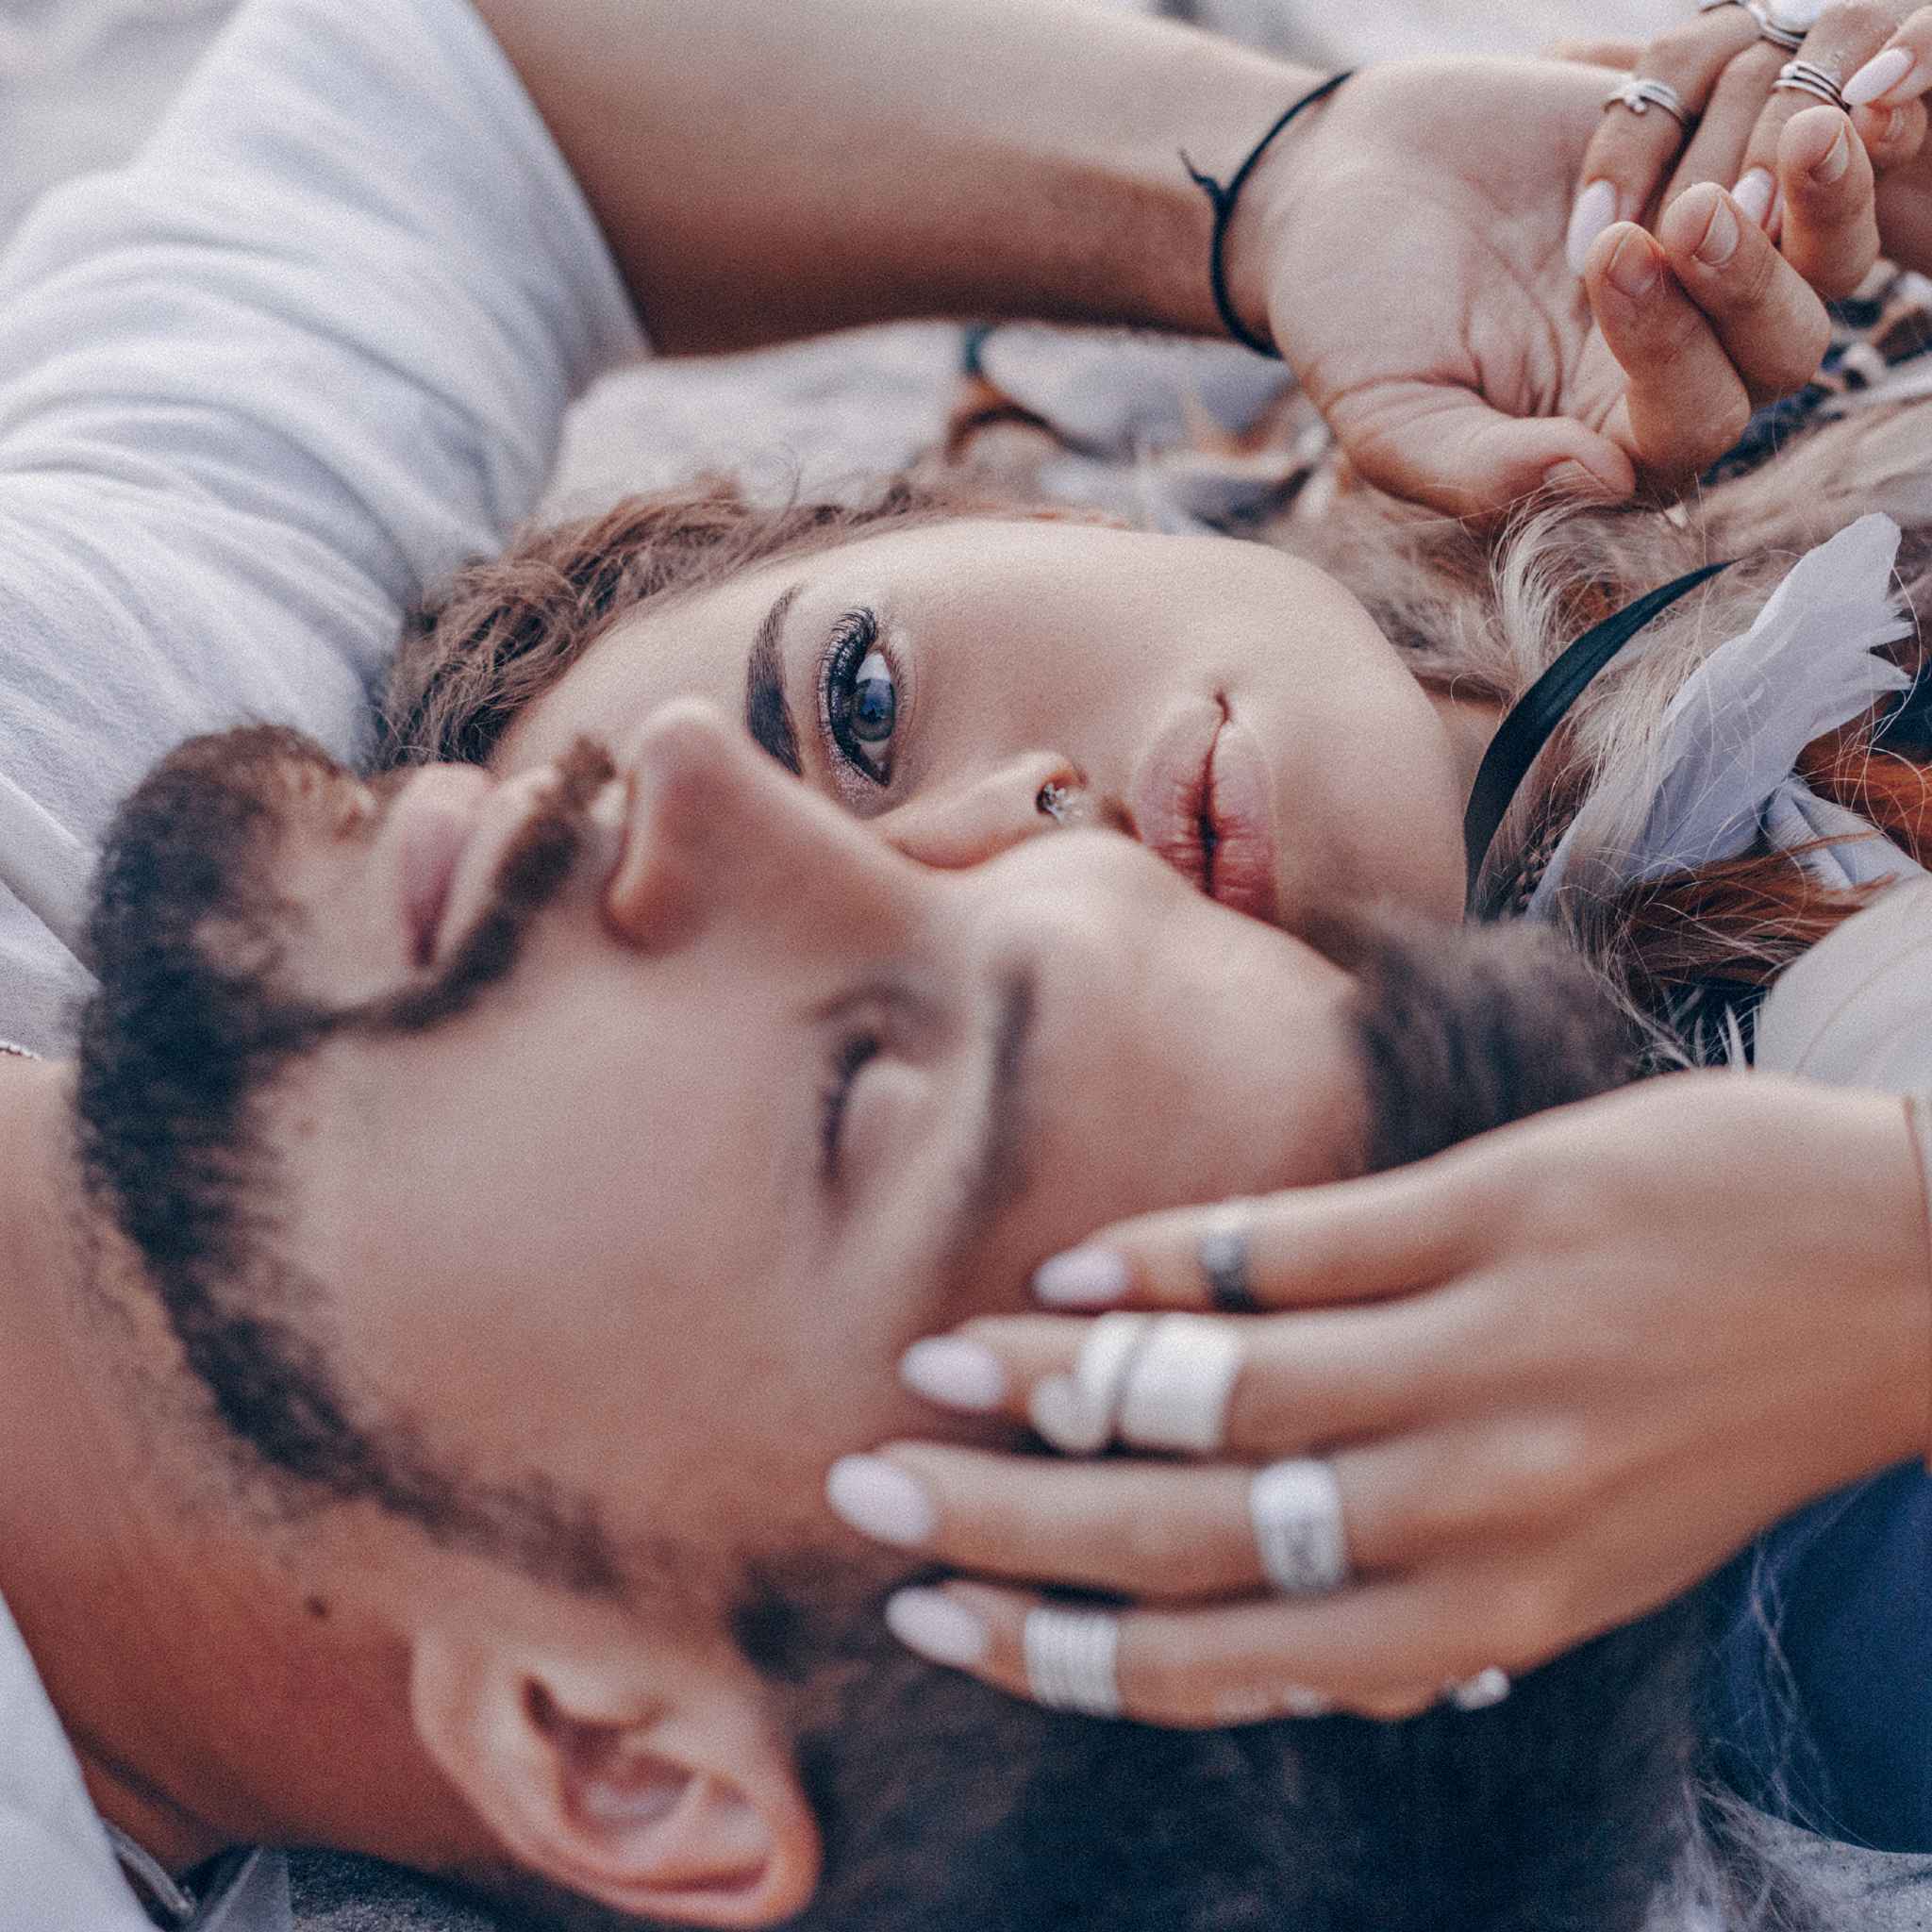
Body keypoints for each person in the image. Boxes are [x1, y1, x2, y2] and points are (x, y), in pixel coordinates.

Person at [2, 0, 1883, 1926]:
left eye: (857, 1083)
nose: (658, 795)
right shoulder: (133, 752)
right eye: (858, 702)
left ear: (615, 1758)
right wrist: (1284, 174)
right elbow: (466, 87)